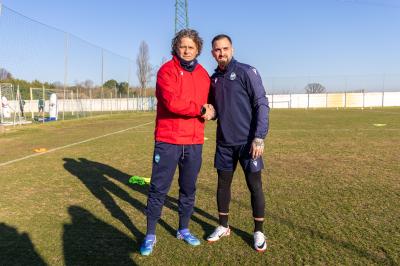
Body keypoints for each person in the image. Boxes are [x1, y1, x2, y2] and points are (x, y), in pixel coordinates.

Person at [140, 29, 213, 256]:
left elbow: (210, 104)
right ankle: (150, 234)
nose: (187, 50)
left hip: (194, 141)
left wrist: (211, 110)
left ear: (198, 49)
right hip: (168, 140)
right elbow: (173, 102)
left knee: (188, 189)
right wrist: (200, 109)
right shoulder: (166, 71)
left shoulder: (203, 75)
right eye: (183, 46)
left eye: (191, 47)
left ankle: (183, 228)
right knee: (158, 189)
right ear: (176, 47)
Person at [205, 34, 270, 252]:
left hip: (248, 143)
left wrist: (259, 136)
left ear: (231, 49)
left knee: (255, 186)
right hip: (224, 143)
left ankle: (258, 231)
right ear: (212, 53)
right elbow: (215, 111)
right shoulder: (214, 79)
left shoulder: (246, 71)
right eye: (216, 50)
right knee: (223, 185)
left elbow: (261, 103)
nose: (220, 53)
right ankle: (223, 226)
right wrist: (208, 112)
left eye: (224, 48)